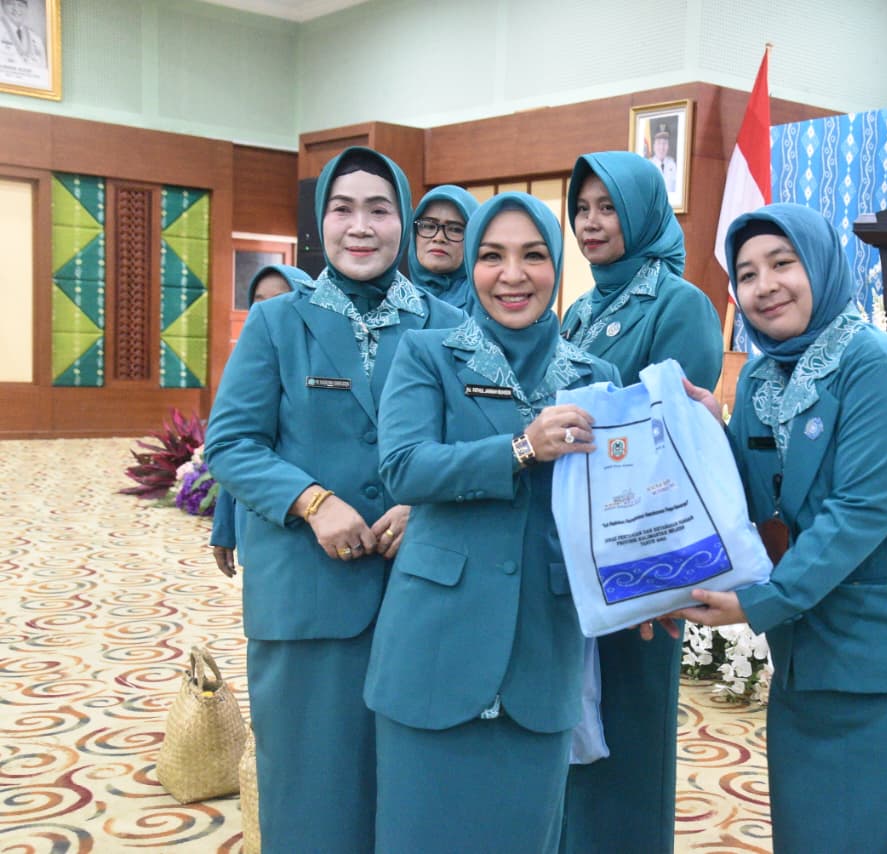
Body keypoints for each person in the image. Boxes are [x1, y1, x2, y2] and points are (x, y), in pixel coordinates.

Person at [676, 203, 887, 853]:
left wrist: (758, 601)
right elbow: (752, 501)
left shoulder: (883, 369)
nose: (765, 286)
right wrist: (708, 432)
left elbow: (860, 512)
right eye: (747, 273)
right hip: (816, 645)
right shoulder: (762, 377)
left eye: (782, 263)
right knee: (817, 829)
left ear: (821, 267)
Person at [204, 146, 465, 852]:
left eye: (379, 210)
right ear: (321, 222)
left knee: (415, 792)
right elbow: (231, 444)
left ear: (403, 223)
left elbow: (475, 443)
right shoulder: (276, 323)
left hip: (422, 593)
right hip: (307, 597)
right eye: (343, 209)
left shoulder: (446, 325)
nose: (361, 226)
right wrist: (313, 501)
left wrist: (426, 504)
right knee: (311, 792)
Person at [364, 192, 620, 852]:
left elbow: (616, 506)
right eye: (491, 256)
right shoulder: (427, 354)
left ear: (557, 266)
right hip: (436, 646)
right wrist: (520, 448)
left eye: (533, 255)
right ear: (472, 265)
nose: (512, 275)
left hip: (543, 651)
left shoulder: (596, 377)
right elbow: (404, 467)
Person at [559, 150, 722, 854]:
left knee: (629, 731)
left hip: (640, 554)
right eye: (582, 208)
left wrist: (655, 575)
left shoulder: (679, 304)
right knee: (573, 730)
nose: (591, 223)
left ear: (644, 212)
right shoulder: (580, 307)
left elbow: (674, 442)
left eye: (609, 208)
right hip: (579, 550)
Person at [209, 263, 313, 579]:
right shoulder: (248, 363)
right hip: (257, 513)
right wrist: (224, 530)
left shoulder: (318, 365)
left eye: (280, 298)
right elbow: (236, 450)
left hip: (306, 512)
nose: (267, 309)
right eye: (258, 301)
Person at [407, 184, 480, 311]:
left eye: (455, 229)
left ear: (474, 237)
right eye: (429, 226)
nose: (439, 238)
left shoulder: (483, 300)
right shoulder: (392, 295)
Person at [0, 0, 45, 69]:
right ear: (3, 6)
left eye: (20, 5)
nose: (16, 8)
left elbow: (42, 70)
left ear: (26, 8)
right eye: (10, 3)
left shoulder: (36, 39)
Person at [648, 125, 678, 194]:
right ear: (654, 145)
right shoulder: (648, 165)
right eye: (659, 143)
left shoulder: (673, 164)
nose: (662, 147)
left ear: (668, 146)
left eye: (665, 143)